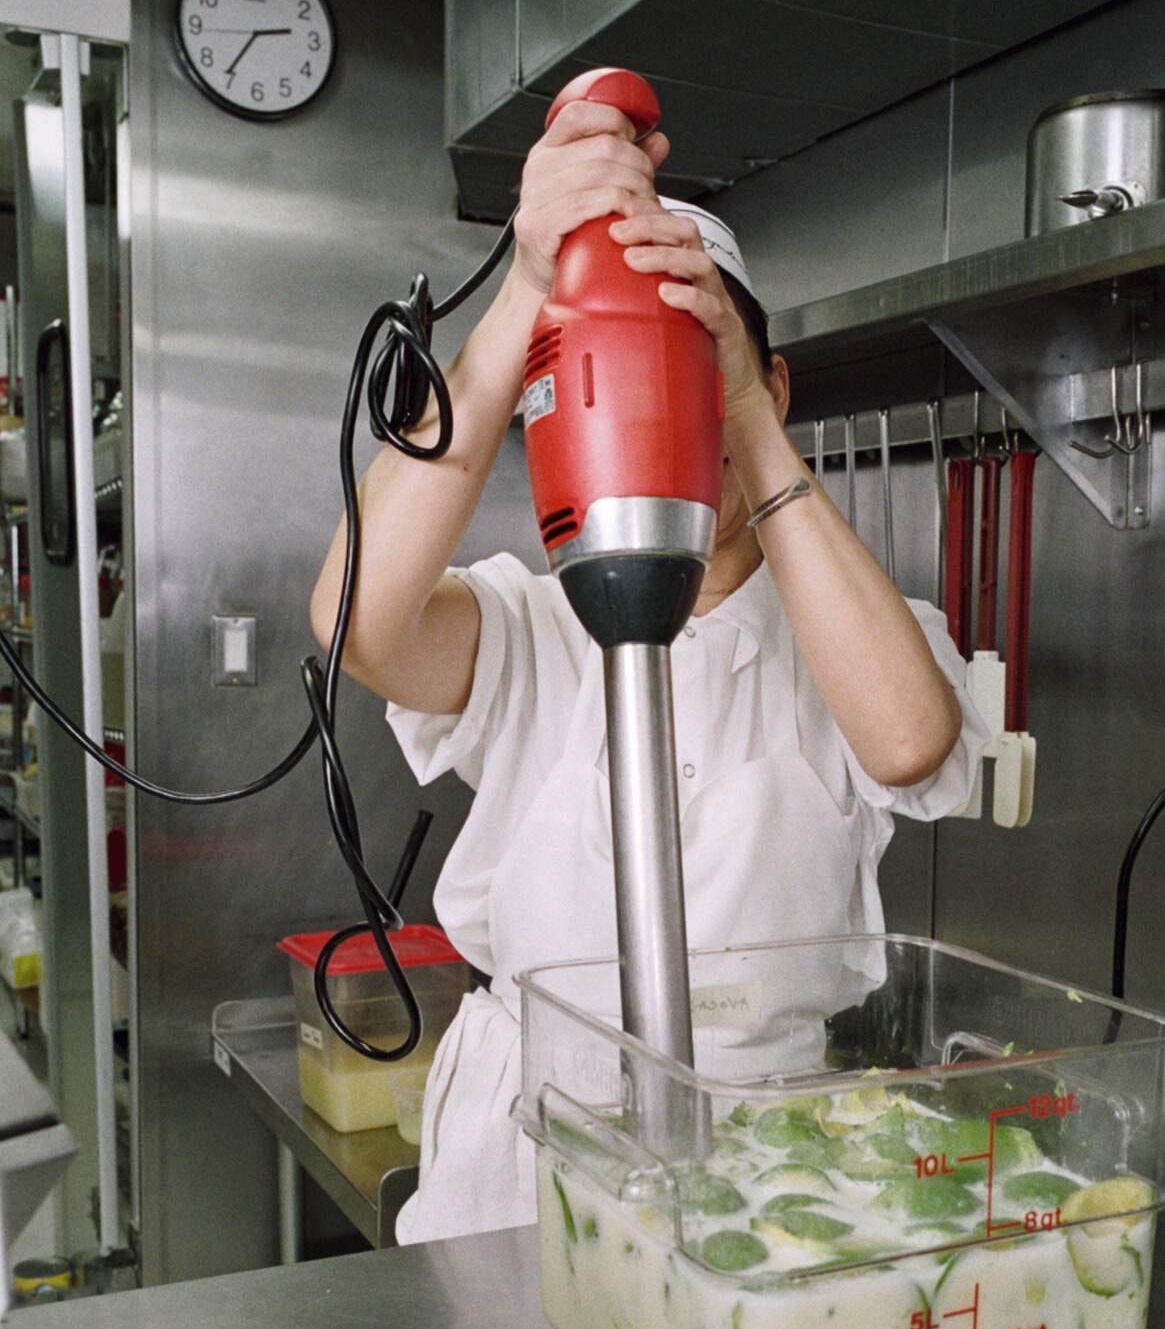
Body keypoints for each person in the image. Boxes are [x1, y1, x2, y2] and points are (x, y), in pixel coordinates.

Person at [311, 97, 987, 1241]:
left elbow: (909, 740)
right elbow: (361, 624)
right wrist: (528, 286)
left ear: (767, 388)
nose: (666, 419)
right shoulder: (531, 625)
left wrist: (741, 409)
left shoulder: (847, 625)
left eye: (697, 380)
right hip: (529, 1132)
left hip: (764, 1140)